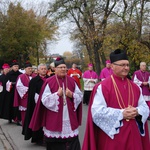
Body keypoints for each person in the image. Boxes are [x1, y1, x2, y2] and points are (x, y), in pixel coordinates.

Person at [82, 49, 150, 150]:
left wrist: (137, 111)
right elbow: (96, 112)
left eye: (127, 65)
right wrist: (122, 113)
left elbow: (145, 107)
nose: (126, 68)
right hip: (113, 139)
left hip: (134, 137)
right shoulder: (103, 87)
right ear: (113, 66)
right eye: (122, 65)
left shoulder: (135, 87)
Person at [29, 57, 83, 150]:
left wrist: (72, 95)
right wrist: (57, 95)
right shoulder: (49, 81)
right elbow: (44, 100)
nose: (63, 69)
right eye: (60, 67)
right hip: (54, 118)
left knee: (73, 143)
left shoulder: (71, 81)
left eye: (64, 67)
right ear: (55, 69)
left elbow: (79, 96)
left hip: (69, 117)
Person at [23, 64, 49, 145]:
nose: (44, 70)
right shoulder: (34, 81)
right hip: (36, 105)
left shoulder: (50, 79)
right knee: (38, 121)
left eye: (45, 69)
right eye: (42, 69)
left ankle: (48, 138)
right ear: (38, 71)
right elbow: (31, 94)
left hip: (48, 104)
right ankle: (38, 138)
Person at [14, 61, 34, 127]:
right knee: (25, 114)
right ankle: (25, 127)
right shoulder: (21, 76)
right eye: (29, 68)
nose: (30, 70)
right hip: (25, 98)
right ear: (25, 69)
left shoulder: (35, 76)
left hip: (33, 98)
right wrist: (28, 89)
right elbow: (19, 86)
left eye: (31, 68)